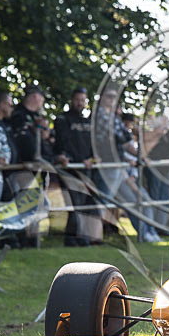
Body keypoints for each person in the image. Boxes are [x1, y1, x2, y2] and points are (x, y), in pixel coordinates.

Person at [52, 87, 101, 246]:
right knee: (75, 204)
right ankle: (73, 239)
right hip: (70, 169)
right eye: (77, 99)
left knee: (89, 204)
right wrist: (78, 159)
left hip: (87, 170)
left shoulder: (88, 123)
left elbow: (93, 146)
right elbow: (63, 144)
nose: (80, 103)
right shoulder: (62, 120)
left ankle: (88, 237)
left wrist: (92, 159)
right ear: (72, 100)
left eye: (83, 100)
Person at [8, 86, 49, 163]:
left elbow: (46, 136)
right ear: (36, 96)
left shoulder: (39, 116)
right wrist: (33, 128)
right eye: (42, 97)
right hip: (23, 164)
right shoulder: (17, 114)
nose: (43, 100)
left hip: (42, 161)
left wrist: (45, 131)